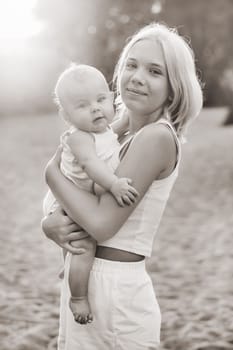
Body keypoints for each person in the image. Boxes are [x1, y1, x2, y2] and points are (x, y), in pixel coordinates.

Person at [42, 22, 203, 350]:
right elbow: (76, 194)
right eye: (132, 64)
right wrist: (49, 226)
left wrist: (51, 174)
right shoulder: (114, 132)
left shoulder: (156, 137)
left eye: (155, 71)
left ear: (174, 87)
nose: (138, 77)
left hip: (117, 293)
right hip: (85, 282)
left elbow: (100, 224)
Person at [43, 64, 139, 325]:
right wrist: (114, 184)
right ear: (66, 116)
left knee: (75, 250)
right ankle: (78, 298)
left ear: (110, 98)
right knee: (85, 246)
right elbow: (91, 165)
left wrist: (130, 118)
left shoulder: (103, 129)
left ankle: (71, 267)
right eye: (83, 105)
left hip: (78, 192)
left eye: (100, 99)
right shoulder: (78, 138)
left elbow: (116, 129)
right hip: (66, 198)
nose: (95, 108)